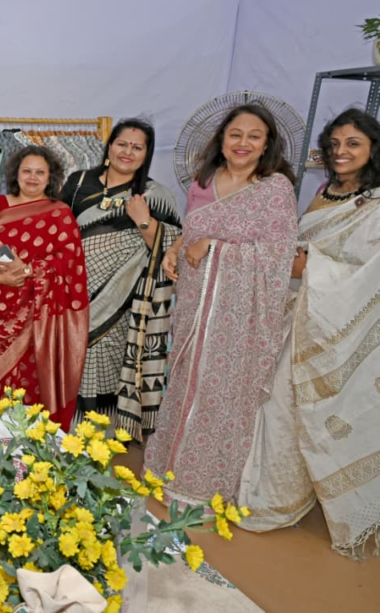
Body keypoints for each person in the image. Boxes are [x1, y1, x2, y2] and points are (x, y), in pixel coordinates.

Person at [237, 109, 380, 559]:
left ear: (373, 149)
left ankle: (276, 501)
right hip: (297, 315)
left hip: (335, 326)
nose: (341, 152)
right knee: (272, 404)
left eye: (353, 143)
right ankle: (269, 494)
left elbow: (369, 276)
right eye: (334, 144)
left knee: (287, 404)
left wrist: (310, 267)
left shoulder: (375, 206)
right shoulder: (324, 193)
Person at [145, 103, 298, 504]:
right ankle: (169, 468)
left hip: (238, 318)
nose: (243, 143)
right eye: (235, 134)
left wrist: (214, 248)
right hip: (194, 306)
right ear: (222, 139)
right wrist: (175, 250)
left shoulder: (274, 189)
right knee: (185, 383)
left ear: (267, 144)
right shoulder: (204, 181)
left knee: (219, 394)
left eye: (254, 136)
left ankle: (204, 483)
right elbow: (192, 230)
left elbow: (278, 256)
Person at [61, 119, 181, 440]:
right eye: (122, 144)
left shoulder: (155, 195)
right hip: (72, 297)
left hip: (121, 305)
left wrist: (143, 220)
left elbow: (172, 250)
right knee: (69, 366)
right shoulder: (78, 182)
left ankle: (105, 439)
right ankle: (65, 435)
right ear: (109, 146)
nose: (127, 152)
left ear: (146, 154)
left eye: (137, 147)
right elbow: (56, 231)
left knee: (107, 371)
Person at [0, 145, 89, 425]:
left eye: (40, 172)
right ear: (16, 174)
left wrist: (29, 270)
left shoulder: (60, 213)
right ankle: (0, 430)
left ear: (50, 177)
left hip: (41, 309)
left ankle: (34, 432)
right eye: (27, 171)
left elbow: (69, 260)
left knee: (33, 371)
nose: (33, 178)